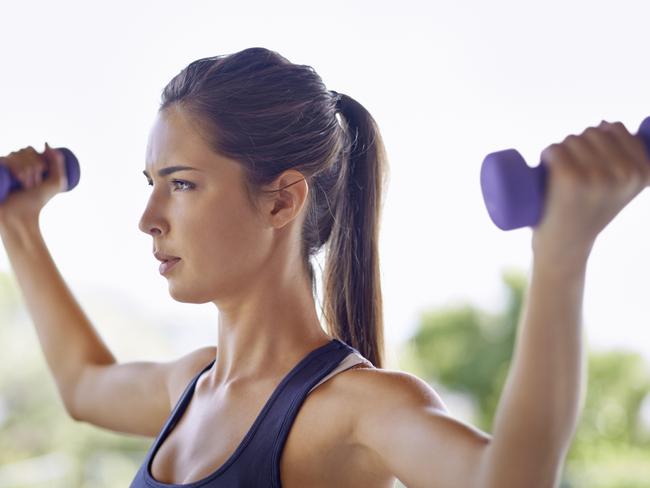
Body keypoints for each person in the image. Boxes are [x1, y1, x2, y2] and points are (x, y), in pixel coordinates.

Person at [1, 47, 649, 488]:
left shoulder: (354, 408)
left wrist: (561, 254)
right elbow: (84, 386)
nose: (148, 217)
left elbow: (509, 480)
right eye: (151, 182)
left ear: (282, 198)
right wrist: (20, 226)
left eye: (182, 184)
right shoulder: (191, 385)